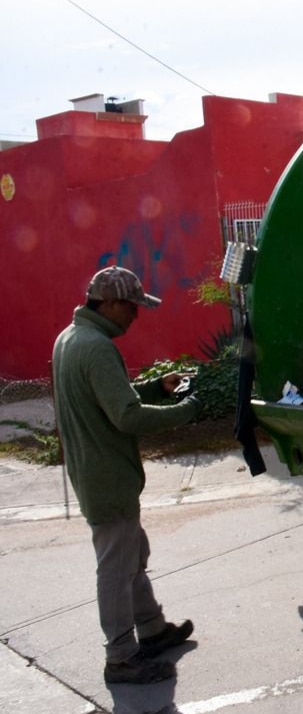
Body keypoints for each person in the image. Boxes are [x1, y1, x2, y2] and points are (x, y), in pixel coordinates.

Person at [52, 266, 202, 685]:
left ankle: (151, 629)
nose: (136, 316)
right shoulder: (97, 347)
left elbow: (111, 397)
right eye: (132, 307)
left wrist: (156, 387)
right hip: (107, 478)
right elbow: (126, 415)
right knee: (117, 570)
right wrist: (185, 411)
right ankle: (120, 656)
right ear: (111, 303)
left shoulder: (71, 338)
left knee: (132, 557)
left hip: (94, 473)